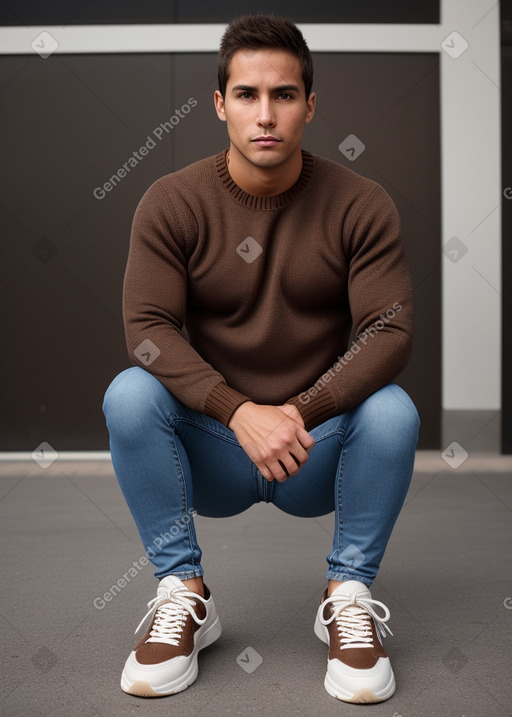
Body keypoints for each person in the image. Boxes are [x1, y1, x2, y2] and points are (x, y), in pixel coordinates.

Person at [102, 12, 420, 705]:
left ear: (311, 103)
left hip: (314, 451)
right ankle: (184, 593)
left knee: (394, 410)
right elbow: (147, 328)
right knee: (129, 392)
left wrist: (294, 413)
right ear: (221, 105)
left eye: (284, 94)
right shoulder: (172, 201)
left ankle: (348, 593)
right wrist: (238, 410)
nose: (265, 113)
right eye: (247, 94)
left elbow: (388, 333)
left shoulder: (362, 204)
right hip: (213, 448)